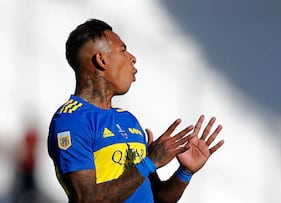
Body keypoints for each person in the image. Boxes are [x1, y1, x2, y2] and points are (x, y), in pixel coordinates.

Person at [47, 19, 224, 203]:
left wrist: (185, 172)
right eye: (123, 50)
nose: (132, 58)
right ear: (101, 60)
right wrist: (149, 162)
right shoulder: (71, 120)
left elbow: (157, 198)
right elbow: (87, 198)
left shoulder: (128, 120)